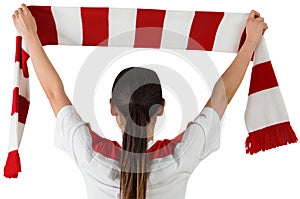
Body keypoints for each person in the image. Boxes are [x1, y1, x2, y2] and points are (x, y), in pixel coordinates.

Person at [12, 4, 268, 199]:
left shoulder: (92, 158)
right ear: (161, 108)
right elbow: (221, 96)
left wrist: (31, 36)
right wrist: (251, 43)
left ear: (112, 107)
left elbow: (54, 93)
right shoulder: (180, 158)